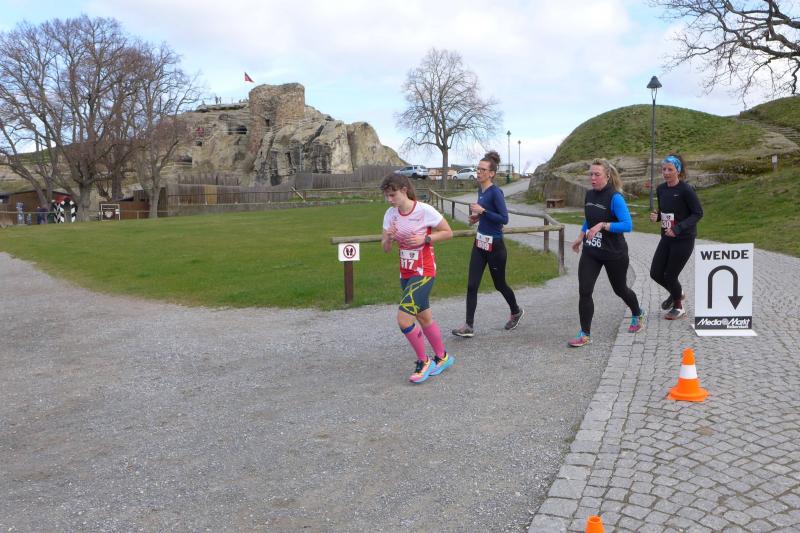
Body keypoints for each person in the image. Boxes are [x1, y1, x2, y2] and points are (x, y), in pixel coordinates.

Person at [381, 174, 454, 383]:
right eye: (387, 196)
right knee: (424, 318)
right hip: (406, 273)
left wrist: (426, 238)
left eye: (392, 195)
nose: (389, 200)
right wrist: (389, 238)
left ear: (404, 190)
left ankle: (424, 361)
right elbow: (385, 248)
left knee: (404, 319)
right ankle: (443, 357)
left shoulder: (424, 210)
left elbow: (448, 232)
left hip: (424, 272)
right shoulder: (390, 214)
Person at [568, 158, 645, 347]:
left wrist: (603, 225)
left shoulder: (615, 197)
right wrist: (580, 236)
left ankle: (637, 312)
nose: (593, 178)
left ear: (607, 176)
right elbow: (589, 219)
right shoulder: (589, 195)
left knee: (620, 289)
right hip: (592, 251)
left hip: (614, 253)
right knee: (585, 291)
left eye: (597, 174)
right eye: (591, 174)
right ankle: (585, 334)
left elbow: (627, 225)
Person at [452, 150, 524, 338]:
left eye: (483, 170)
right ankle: (468, 326)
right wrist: (477, 218)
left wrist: (482, 211)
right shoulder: (481, 190)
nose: (479, 172)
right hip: (480, 243)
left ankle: (516, 311)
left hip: (495, 247)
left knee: (499, 284)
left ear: (491, 173)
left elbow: (504, 219)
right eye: (478, 168)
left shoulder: (495, 192)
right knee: (472, 285)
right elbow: (488, 214)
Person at [649, 154, 703, 320]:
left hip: (683, 238)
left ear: (678, 171)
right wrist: (658, 217)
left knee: (670, 275)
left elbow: (697, 213)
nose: (666, 173)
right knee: (655, 273)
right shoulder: (661, 189)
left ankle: (679, 307)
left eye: (670, 169)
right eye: (664, 169)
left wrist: (678, 228)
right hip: (666, 237)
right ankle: (677, 292)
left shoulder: (686, 190)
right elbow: (666, 212)